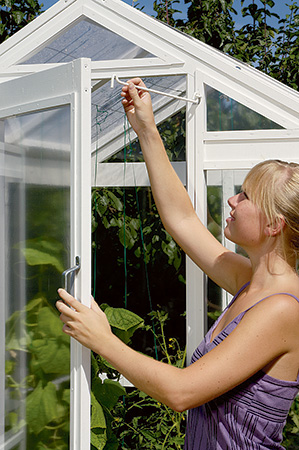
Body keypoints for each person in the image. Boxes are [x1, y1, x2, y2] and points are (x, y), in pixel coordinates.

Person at [56, 79, 299, 449]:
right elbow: (182, 220)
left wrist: (102, 340)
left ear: (272, 225)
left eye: (246, 195)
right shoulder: (251, 281)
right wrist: (147, 129)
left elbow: (181, 392)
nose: (232, 200)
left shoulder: (282, 308)